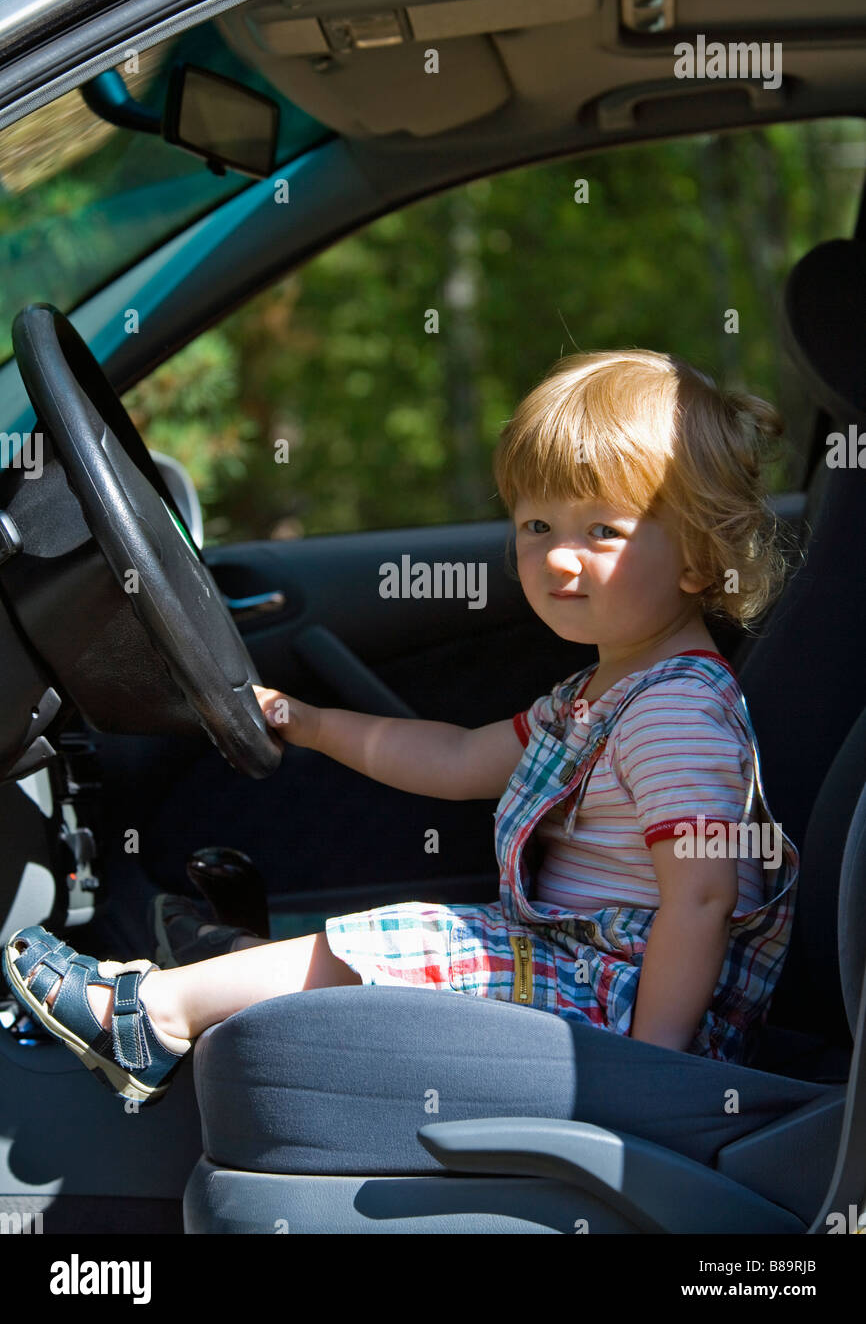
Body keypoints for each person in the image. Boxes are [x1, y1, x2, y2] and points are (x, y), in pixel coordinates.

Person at [2, 349, 800, 1106]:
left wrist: (653, 1072)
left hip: (628, 1010)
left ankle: (152, 1017)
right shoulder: (604, 690)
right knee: (424, 934)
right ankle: (211, 985)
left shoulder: (675, 712)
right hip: (583, 974)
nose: (559, 560)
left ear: (698, 556)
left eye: (601, 532)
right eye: (536, 528)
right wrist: (310, 724)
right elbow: (457, 758)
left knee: (417, 935)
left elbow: (700, 899)